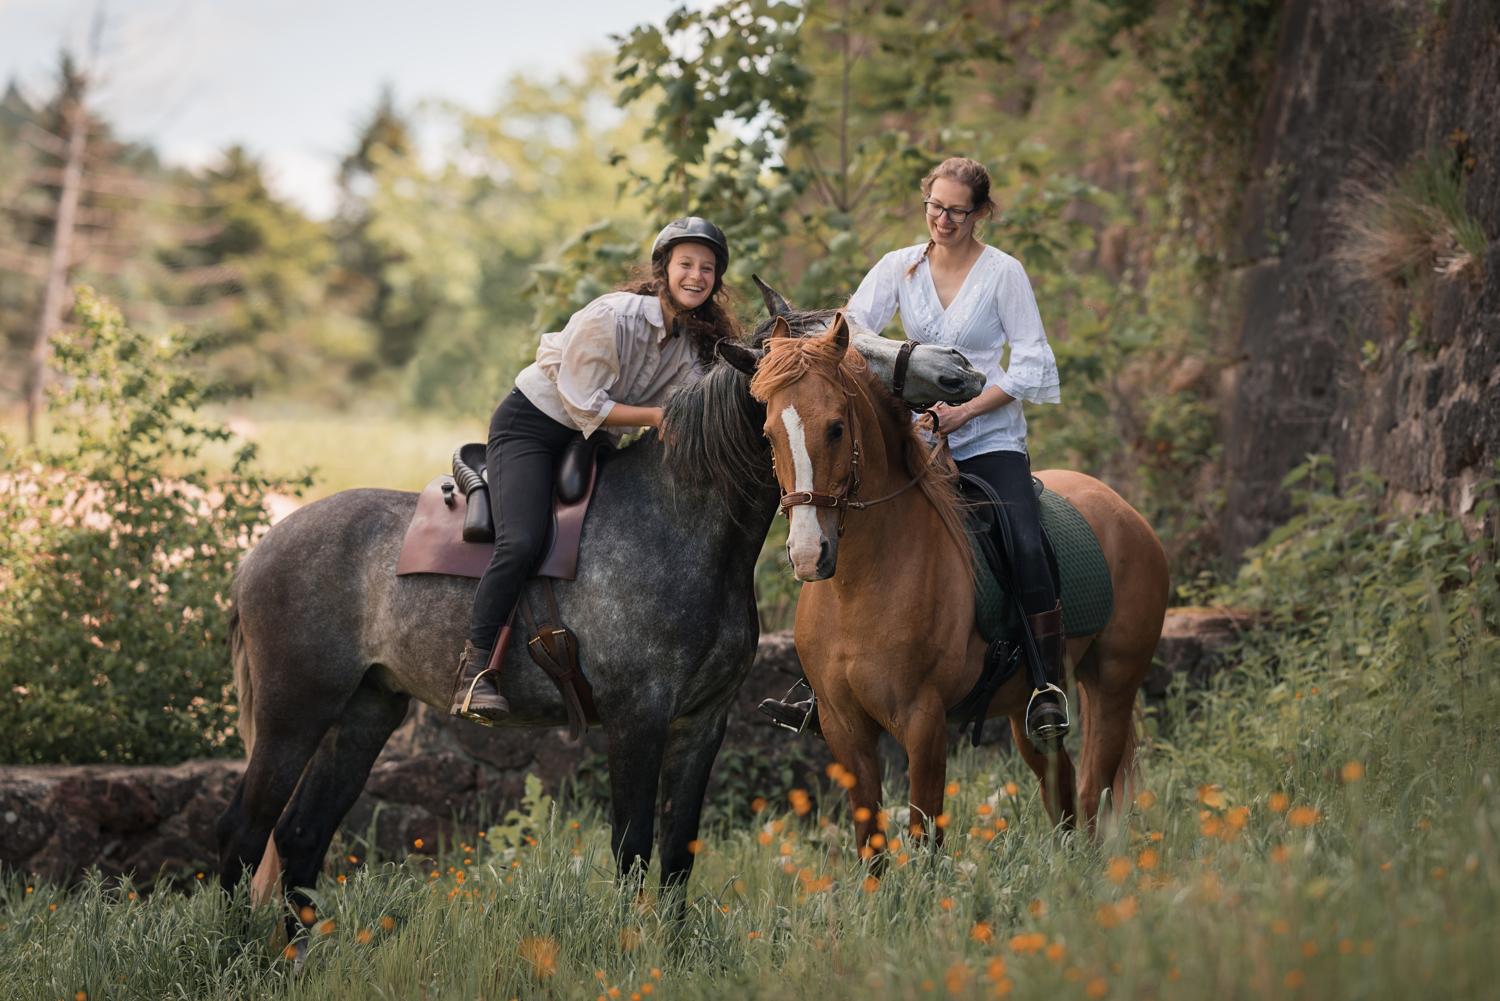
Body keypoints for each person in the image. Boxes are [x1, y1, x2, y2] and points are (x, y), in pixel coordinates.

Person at [763, 156, 1068, 745]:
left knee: (1025, 539)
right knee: (840, 518)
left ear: (980, 213)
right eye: (935, 207)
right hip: (914, 437)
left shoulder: (1004, 273)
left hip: (987, 438)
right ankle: (820, 683)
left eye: (956, 211)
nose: (943, 220)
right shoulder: (896, 268)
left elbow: (1032, 360)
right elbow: (851, 336)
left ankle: (1043, 686)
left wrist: (966, 412)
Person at [452, 217, 739, 724]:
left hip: (595, 438)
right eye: (686, 264)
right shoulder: (613, 317)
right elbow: (584, 404)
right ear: (663, 270)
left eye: (707, 269)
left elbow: (693, 408)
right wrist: (655, 417)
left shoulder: (693, 345)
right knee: (520, 541)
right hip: (535, 426)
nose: (696, 276)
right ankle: (476, 669)